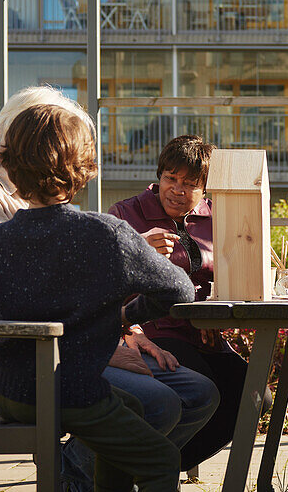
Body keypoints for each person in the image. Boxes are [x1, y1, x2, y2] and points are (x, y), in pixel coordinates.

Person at [0, 86, 218, 485]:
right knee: (157, 454)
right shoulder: (103, 232)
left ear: (12, 161)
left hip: (10, 385)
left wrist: (119, 322)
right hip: (67, 379)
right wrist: (116, 322)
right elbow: (178, 290)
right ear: (85, 171)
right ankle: (71, 480)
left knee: (153, 406)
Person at [109, 135, 256, 470]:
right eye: (170, 179)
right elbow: (103, 281)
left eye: (190, 183)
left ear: (206, 188)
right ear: (158, 176)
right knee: (206, 387)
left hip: (207, 333)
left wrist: (215, 320)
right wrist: (139, 250)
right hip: (151, 332)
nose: (177, 190)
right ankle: (151, 470)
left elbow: (235, 272)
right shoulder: (125, 214)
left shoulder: (220, 216)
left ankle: (160, 467)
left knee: (253, 396)